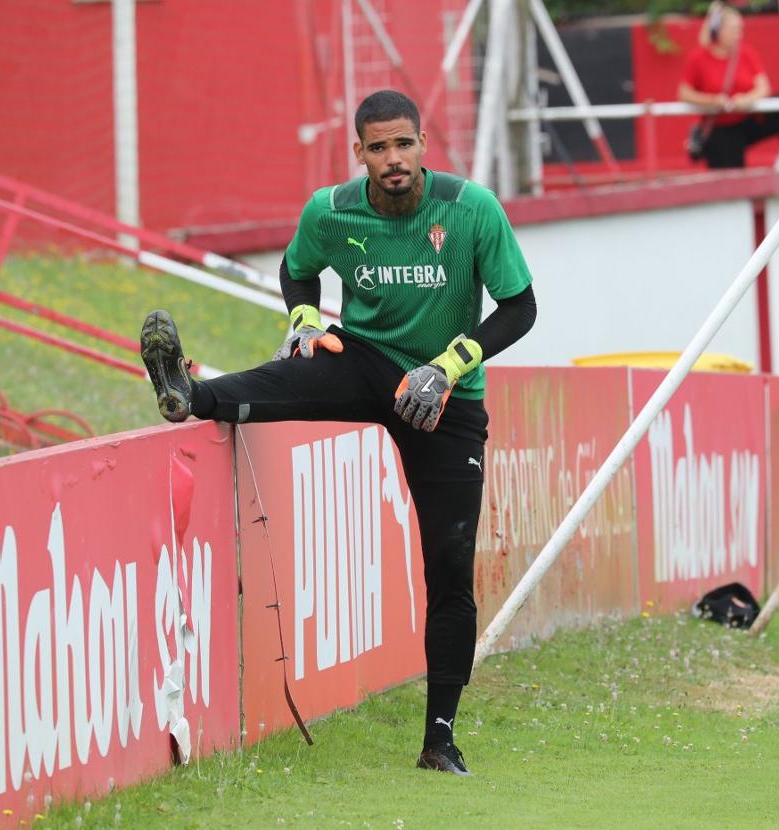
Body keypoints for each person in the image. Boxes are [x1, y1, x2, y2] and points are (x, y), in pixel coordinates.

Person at [140, 89, 536, 776]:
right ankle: (186, 393)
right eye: (378, 147)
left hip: (447, 397)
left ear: (422, 146)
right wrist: (304, 320)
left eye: (404, 144)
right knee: (288, 376)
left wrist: (449, 365)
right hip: (368, 362)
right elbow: (297, 270)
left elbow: (520, 307)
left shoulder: (471, 210)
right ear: (359, 154)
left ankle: (440, 740)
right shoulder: (330, 209)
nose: (393, 159)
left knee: (449, 567)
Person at [678, 1, 779, 171]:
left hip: (748, 118)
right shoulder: (698, 58)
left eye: (740, 29)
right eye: (734, 29)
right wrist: (714, 101)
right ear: (718, 30)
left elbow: (763, 88)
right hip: (721, 128)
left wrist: (745, 100)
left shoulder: (747, 53)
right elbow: (684, 93)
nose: (739, 35)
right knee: (730, 183)